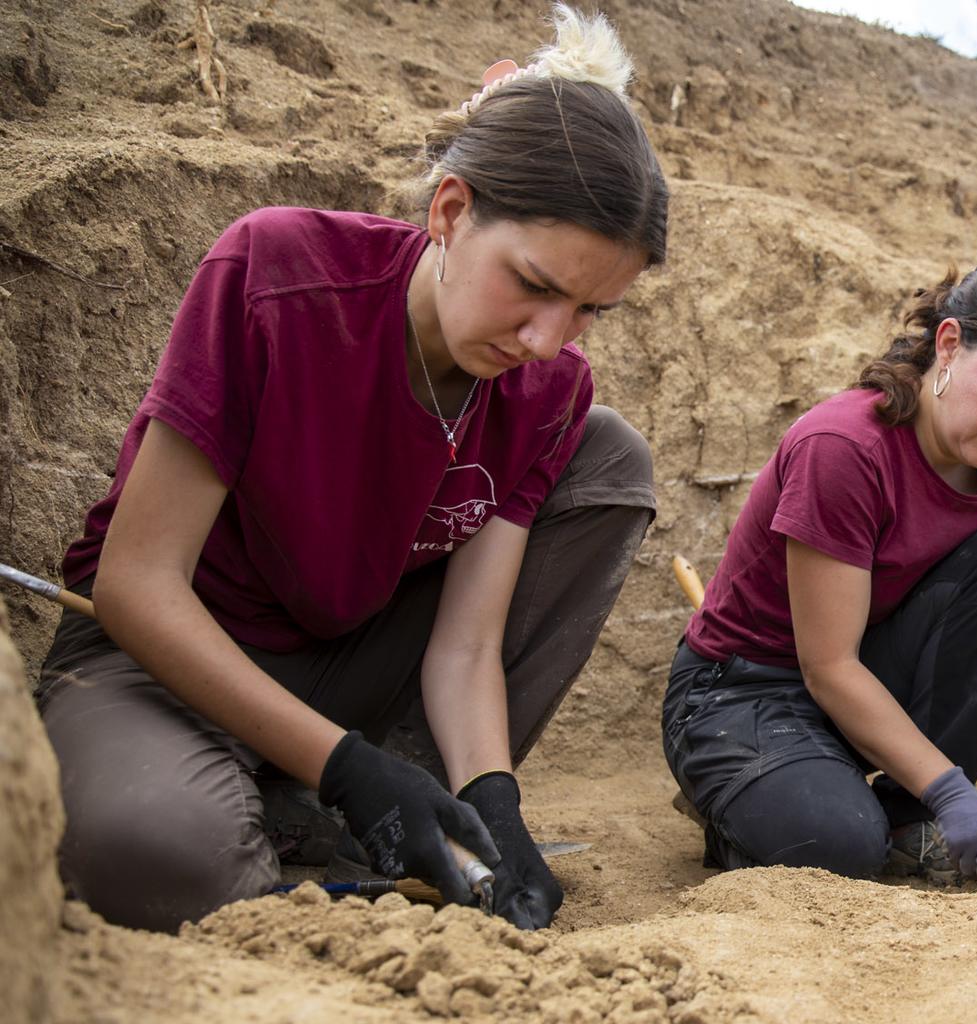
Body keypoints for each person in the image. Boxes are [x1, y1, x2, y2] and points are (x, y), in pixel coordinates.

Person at [36, 5, 667, 933]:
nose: (547, 339)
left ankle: (391, 810)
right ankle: (324, 802)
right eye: (535, 285)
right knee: (159, 855)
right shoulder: (279, 275)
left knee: (611, 453)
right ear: (450, 211)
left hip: (345, 668)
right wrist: (347, 769)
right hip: (162, 664)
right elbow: (135, 584)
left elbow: (464, 648)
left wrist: (492, 799)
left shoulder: (548, 388)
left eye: (589, 311)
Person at [661, 249, 977, 883]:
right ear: (950, 343)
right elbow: (828, 666)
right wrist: (950, 788)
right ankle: (745, 800)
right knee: (842, 847)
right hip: (746, 693)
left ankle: (907, 818)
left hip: (862, 685)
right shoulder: (844, 448)